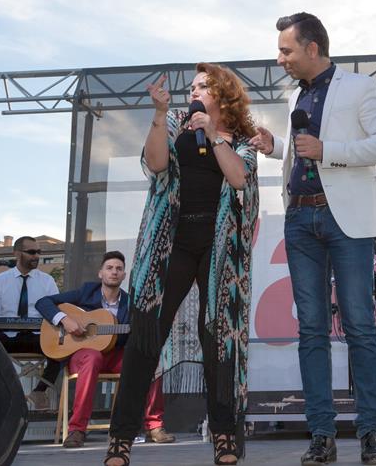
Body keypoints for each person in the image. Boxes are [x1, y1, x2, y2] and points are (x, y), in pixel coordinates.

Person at [251, 12, 376, 465]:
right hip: (300, 218)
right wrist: (276, 146)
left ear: (312, 48)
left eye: (286, 50)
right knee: (310, 330)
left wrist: (327, 151)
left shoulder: (360, 87)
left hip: (345, 221)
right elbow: (302, 153)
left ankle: (371, 433)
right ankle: (322, 434)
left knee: (359, 326)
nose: (280, 59)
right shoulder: (296, 96)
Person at [105, 63, 259, 466]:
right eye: (192, 86)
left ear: (223, 93)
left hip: (218, 247)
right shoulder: (174, 122)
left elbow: (239, 178)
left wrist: (213, 134)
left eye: (203, 85)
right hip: (170, 242)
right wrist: (159, 114)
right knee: (146, 338)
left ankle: (223, 435)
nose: (194, 92)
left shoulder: (242, 138)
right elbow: (156, 163)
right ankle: (121, 438)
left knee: (218, 341)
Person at [35, 251, 174, 448]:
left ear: (124, 275)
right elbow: (43, 302)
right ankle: (77, 430)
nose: (114, 272)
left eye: (119, 269)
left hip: (114, 356)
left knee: (151, 360)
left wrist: (145, 331)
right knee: (93, 357)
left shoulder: (130, 303)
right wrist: (64, 320)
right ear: (100, 273)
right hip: (83, 356)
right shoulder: (86, 292)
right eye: (109, 268)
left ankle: (154, 426)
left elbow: (133, 335)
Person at [0, 235, 61, 410]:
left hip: (37, 337)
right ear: (17, 253)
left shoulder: (47, 281)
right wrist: (9, 323)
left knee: (61, 349)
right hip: (7, 337)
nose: (36, 256)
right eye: (31, 252)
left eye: (39, 252)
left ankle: (39, 391)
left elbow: (56, 312)